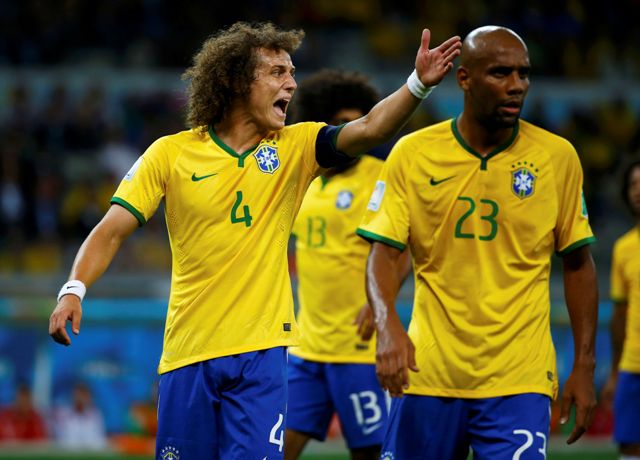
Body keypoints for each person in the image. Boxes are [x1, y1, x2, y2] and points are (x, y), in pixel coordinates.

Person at [48, 21, 461, 460]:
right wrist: (73, 289)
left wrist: (418, 84)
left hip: (262, 357)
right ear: (236, 81)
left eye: (293, 72)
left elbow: (372, 128)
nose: (292, 83)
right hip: (189, 353)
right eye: (278, 72)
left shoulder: (297, 147)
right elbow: (110, 230)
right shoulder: (170, 154)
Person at [357, 25, 598, 459]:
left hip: (519, 379)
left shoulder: (557, 157)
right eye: (500, 73)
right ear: (464, 78)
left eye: (523, 74)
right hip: (429, 372)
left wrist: (584, 364)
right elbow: (384, 252)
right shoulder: (412, 154)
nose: (517, 85)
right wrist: (386, 321)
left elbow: (579, 264)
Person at [285, 69, 410, 460]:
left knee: (370, 453)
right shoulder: (303, 178)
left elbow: (405, 247)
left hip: (360, 349)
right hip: (307, 347)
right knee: (272, 449)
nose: (352, 130)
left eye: (359, 120)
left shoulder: (380, 176)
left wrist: (381, 302)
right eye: (342, 123)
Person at [602, 161, 640, 459]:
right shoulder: (623, 248)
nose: (638, 191)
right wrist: (615, 373)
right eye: (633, 184)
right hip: (632, 366)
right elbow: (620, 315)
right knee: (629, 450)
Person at [52, 382, 108, 450]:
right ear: (72, 396)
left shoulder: (96, 415)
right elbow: (61, 439)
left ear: (89, 397)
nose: (80, 398)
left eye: (84, 395)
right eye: (78, 395)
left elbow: (99, 440)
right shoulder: (62, 413)